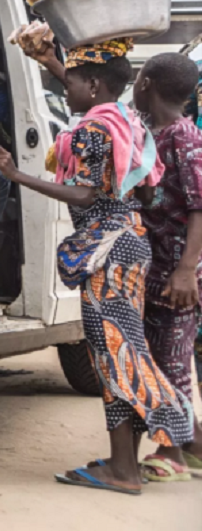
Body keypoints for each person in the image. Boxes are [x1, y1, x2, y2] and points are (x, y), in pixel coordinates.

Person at [0, 41, 193, 495]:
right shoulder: (126, 123)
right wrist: (53, 62)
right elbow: (146, 194)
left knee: (115, 356)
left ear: (96, 84)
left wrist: (16, 174)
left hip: (107, 253)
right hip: (133, 246)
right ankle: (126, 461)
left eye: (73, 84)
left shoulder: (91, 132)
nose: (66, 92)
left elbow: (85, 195)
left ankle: (129, 468)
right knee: (123, 351)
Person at [131, 52, 202, 480]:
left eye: (136, 78)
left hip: (178, 274)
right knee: (157, 360)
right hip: (153, 270)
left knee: (172, 363)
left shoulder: (185, 138)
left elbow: (200, 206)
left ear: (147, 83)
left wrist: (186, 269)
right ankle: (190, 443)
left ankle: (171, 452)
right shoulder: (149, 131)